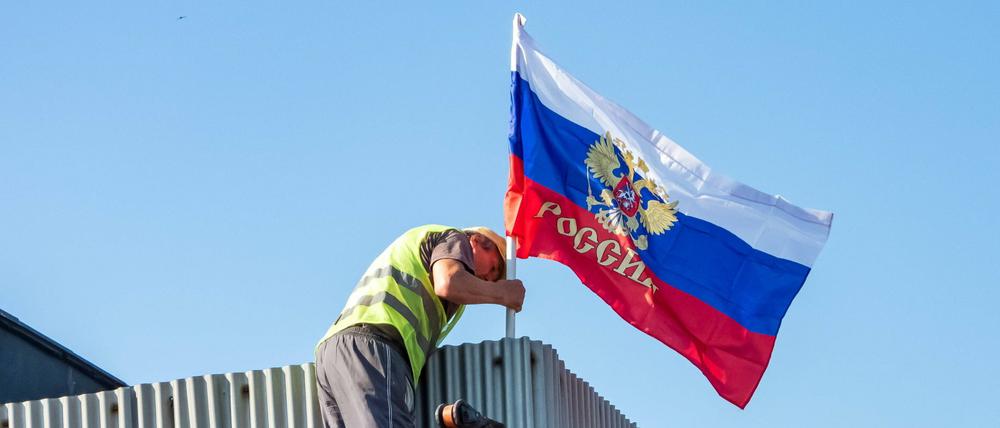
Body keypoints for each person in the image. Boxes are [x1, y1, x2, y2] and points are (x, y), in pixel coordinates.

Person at [314, 225, 525, 428]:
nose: (489, 278)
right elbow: (449, 282)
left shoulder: (422, 253)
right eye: (494, 268)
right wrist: (503, 293)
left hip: (333, 352)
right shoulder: (454, 239)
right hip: (375, 346)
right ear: (477, 241)